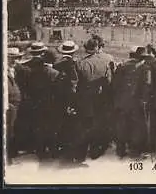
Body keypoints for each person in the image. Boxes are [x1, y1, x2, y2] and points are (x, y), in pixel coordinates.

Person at [61, 38, 111, 168]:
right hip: (100, 99)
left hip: (84, 101)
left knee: (84, 128)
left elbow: (75, 85)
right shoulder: (105, 62)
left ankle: (81, 155)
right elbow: (108, 83)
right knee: (98, 125)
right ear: (96, 48)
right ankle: (95, 151)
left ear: (85, 49)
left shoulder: (80, 64)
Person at [22, 42, 62, 162]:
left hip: (34, 103)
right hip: (50, 103)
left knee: (38, 126)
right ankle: (53, 150)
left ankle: (39, 150)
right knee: (52, 127)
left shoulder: (26, 68)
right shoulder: (53, 72)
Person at [113, 46, 151, 158]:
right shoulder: (145, 68)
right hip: (137, 102)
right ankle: (134, 151)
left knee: (122, 125)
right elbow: (147, 86)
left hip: (122, 100)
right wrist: (145, 100)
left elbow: (115, 84)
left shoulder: (122, 66)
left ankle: (120, 150)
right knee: (137, 127)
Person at [54, 41, 80, 158]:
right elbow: (75, 82)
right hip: (70, 97)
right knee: (70, 122)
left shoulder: (57, 64)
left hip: (58, 96)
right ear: (73, 52)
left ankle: (59, 145)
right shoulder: (74, 64)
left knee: (59, 121)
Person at [6, 47, 24, 165]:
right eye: (12, 58)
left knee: (14, 129)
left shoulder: (16, 69)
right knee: (9, 130)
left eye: (17, 58)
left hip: (17, 104)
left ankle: (12, 155)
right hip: (10, 105)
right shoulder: (5, 71)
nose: (15, 61)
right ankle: (9, 159)